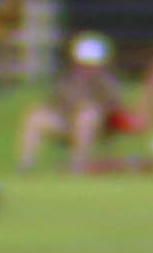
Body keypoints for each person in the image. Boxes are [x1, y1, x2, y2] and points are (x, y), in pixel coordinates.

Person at [16, 29, 126, 173]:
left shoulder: (107, 83)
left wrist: (92, 107)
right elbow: (55, 102)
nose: (87, 67)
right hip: (67, 121)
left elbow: (114, 107)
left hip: (95, 126)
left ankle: (78, 166)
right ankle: (26, 165)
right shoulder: (68, 81)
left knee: (87, 115)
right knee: (35, 116)